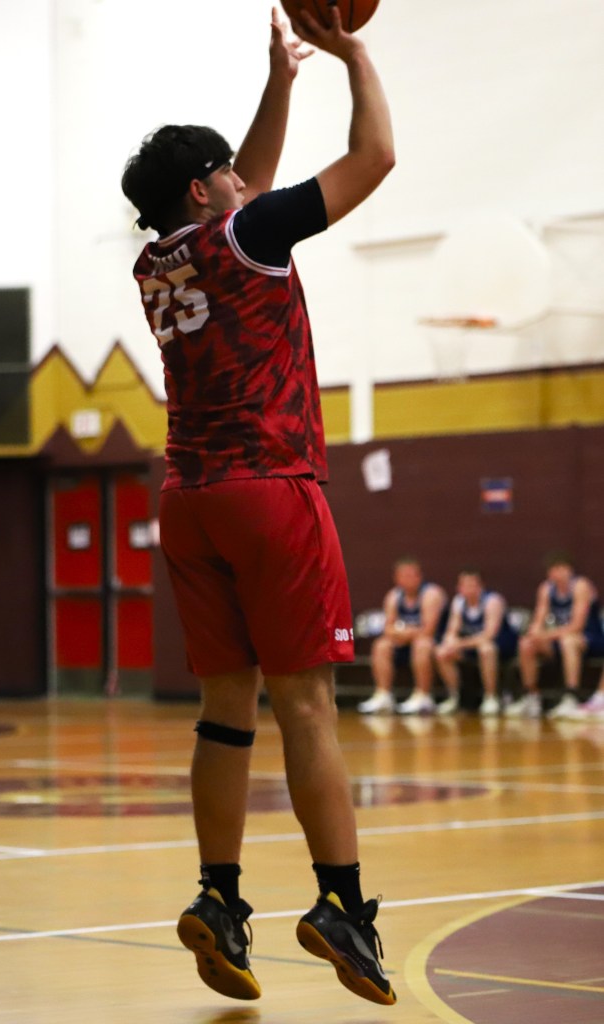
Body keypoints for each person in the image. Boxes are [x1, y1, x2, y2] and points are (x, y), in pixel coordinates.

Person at [121, 6, 396, 1007]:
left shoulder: (158, 261)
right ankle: (342, 904)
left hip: (187, 498)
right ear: (204, 190)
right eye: (227, 174)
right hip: (268, 490)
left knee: (224, 710)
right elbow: (374, 158)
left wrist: (279, 81)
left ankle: (220, 895)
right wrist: (352, 55)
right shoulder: (248, 233)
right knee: (308, 704)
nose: (246, 178)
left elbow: (246, 185)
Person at [505, 553, 604, 719]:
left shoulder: (581, 586)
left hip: (590, 638)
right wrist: (534, 633)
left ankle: (571, 696)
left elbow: (577, 625)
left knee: (569, 642)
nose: (558, 573)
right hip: (559, 638)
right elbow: (539, 619)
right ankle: (531, 696)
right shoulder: (546, 589)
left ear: (570, 570)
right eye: (554, 570)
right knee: (526, 644)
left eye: (561, 569)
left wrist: (545, 635)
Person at [357, 558, 447, 715]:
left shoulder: (431, 594)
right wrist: (407, 633)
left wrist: (402, 632)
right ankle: (383, 695)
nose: (408, 579)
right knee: (381, 645)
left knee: (422, 644)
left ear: (420, 576)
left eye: (412, 575)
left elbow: (428, 630)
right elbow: (387, 628)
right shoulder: (393, 596)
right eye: (404, 575)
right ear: (396, 578)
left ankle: (423, 696)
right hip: (404, 643)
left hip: (434, 643)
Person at [434, 569, 518, 717]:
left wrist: (459, 644)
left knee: (486, 649)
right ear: (459, 588)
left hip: (501, 646)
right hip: (471, 645)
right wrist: (449, 641)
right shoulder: (459, 602)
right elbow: (452, 630)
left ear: (480, 586)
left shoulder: (492, 601)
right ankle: (456, 696)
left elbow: (489, 635)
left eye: (473, 585)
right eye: (465, 585)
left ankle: (491, 697)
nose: (469, 589)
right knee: (441, 652)